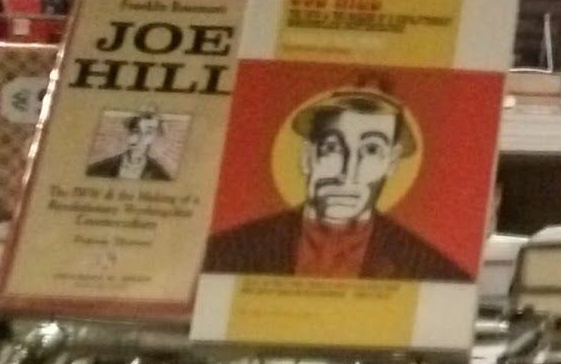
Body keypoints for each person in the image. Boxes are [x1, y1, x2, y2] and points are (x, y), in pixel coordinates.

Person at [199, 90, 469, 283]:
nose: (347, 172)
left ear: (391, 163)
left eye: (371, 150)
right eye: (332, 148)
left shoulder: (433, 271)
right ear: (307, 157)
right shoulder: (229, 251)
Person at [84, 110, 175, 181]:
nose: (140, 138)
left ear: (155, 137)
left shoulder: (160, 176)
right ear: (128, 133)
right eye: (135, 131)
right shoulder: (98, 169)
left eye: (148, 133)